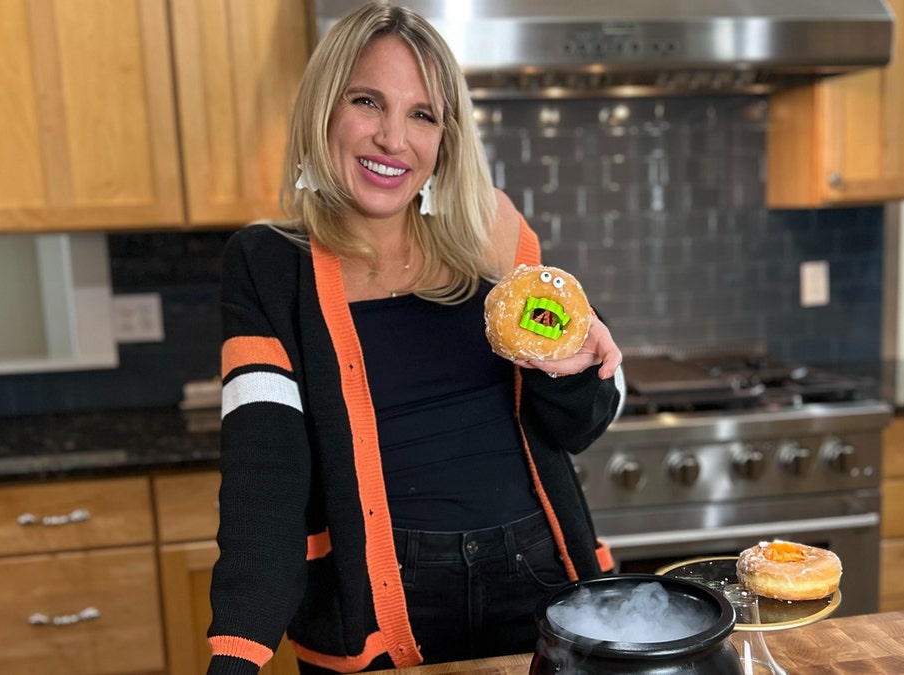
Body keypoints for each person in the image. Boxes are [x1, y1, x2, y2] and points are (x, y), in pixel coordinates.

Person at [206, 2, 624, 673]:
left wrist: (575, 371)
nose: (393, 138)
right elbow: (264, 479)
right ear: (324, 109)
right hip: (375, 609)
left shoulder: (491, 232)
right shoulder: (269, 264)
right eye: (368, 101)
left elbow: (581, 422)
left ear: (445, 137)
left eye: (423, 114)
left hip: (538, 582)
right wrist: (235, 657)